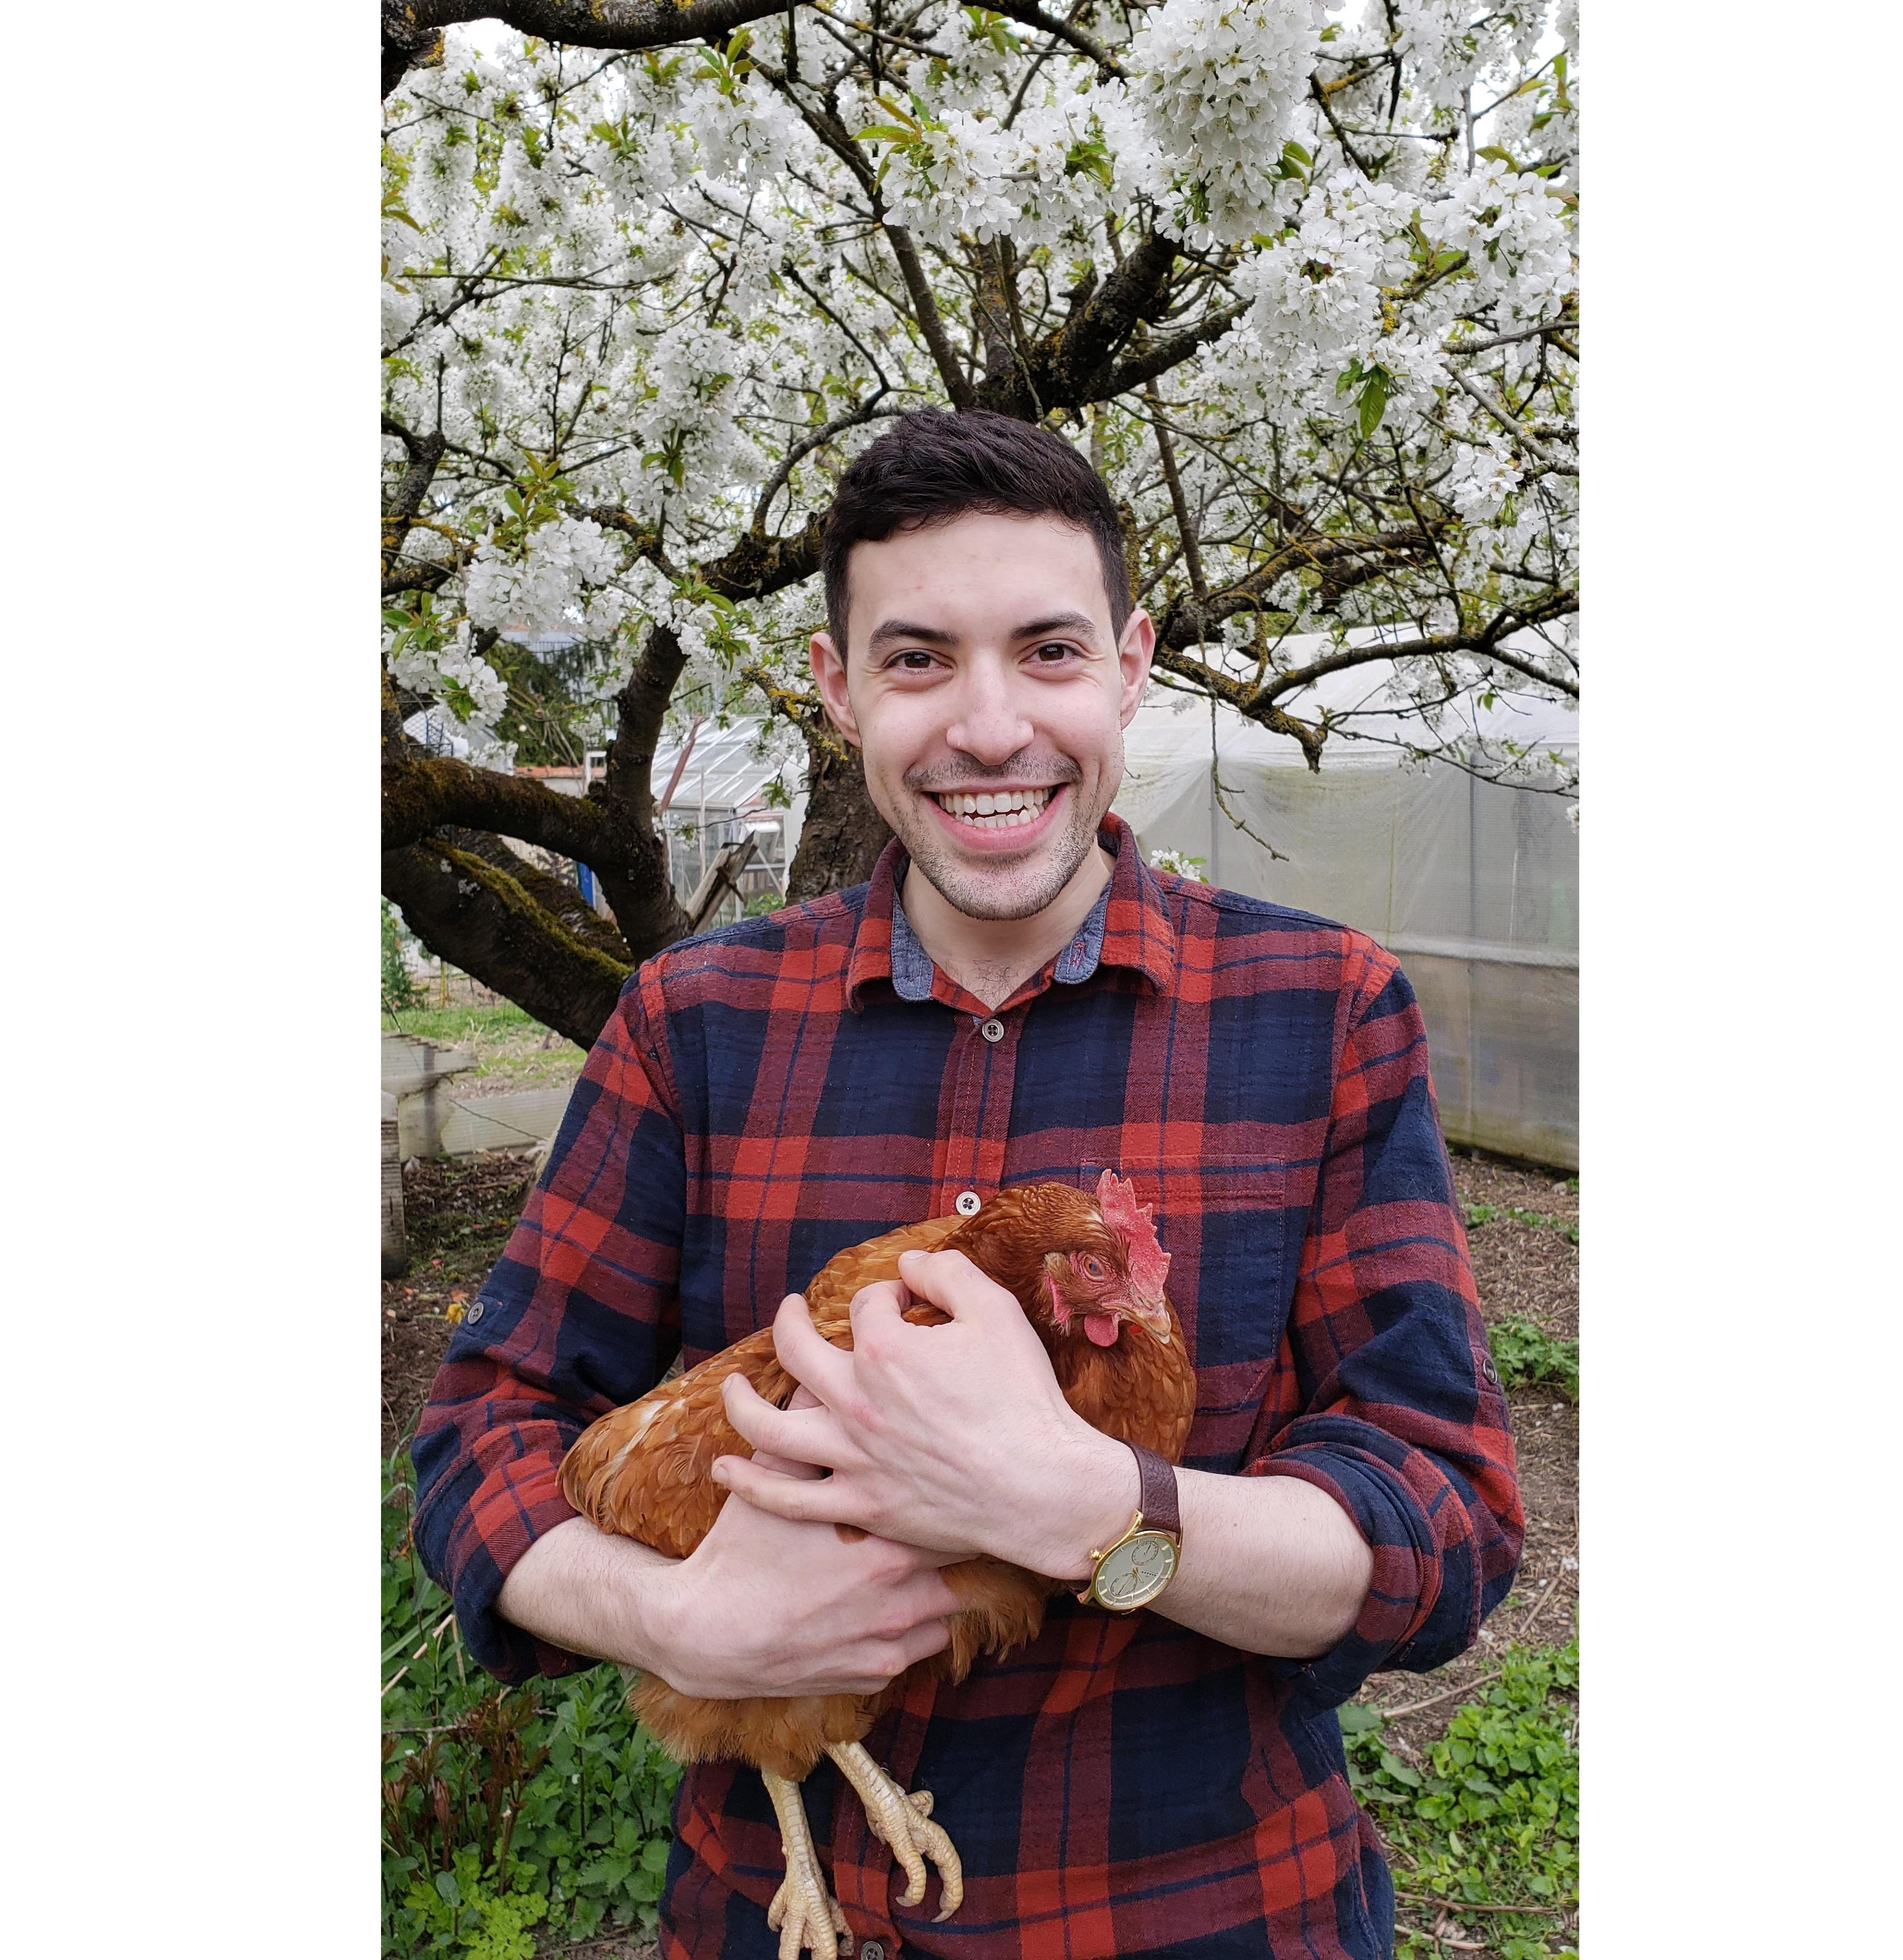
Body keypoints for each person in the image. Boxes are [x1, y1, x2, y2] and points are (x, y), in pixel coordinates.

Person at [412, 408, 1524, 1960]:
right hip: (768, 1916)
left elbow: (1441, 1521)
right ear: (838, 687)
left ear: (1129, 667)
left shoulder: (1320, 1008)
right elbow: (483, 1431)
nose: (990, 728)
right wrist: (675, 1620)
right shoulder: (695, 1021)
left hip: (1196, 1917)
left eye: (1049, 651)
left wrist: (1092, 1508)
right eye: (920, 658)